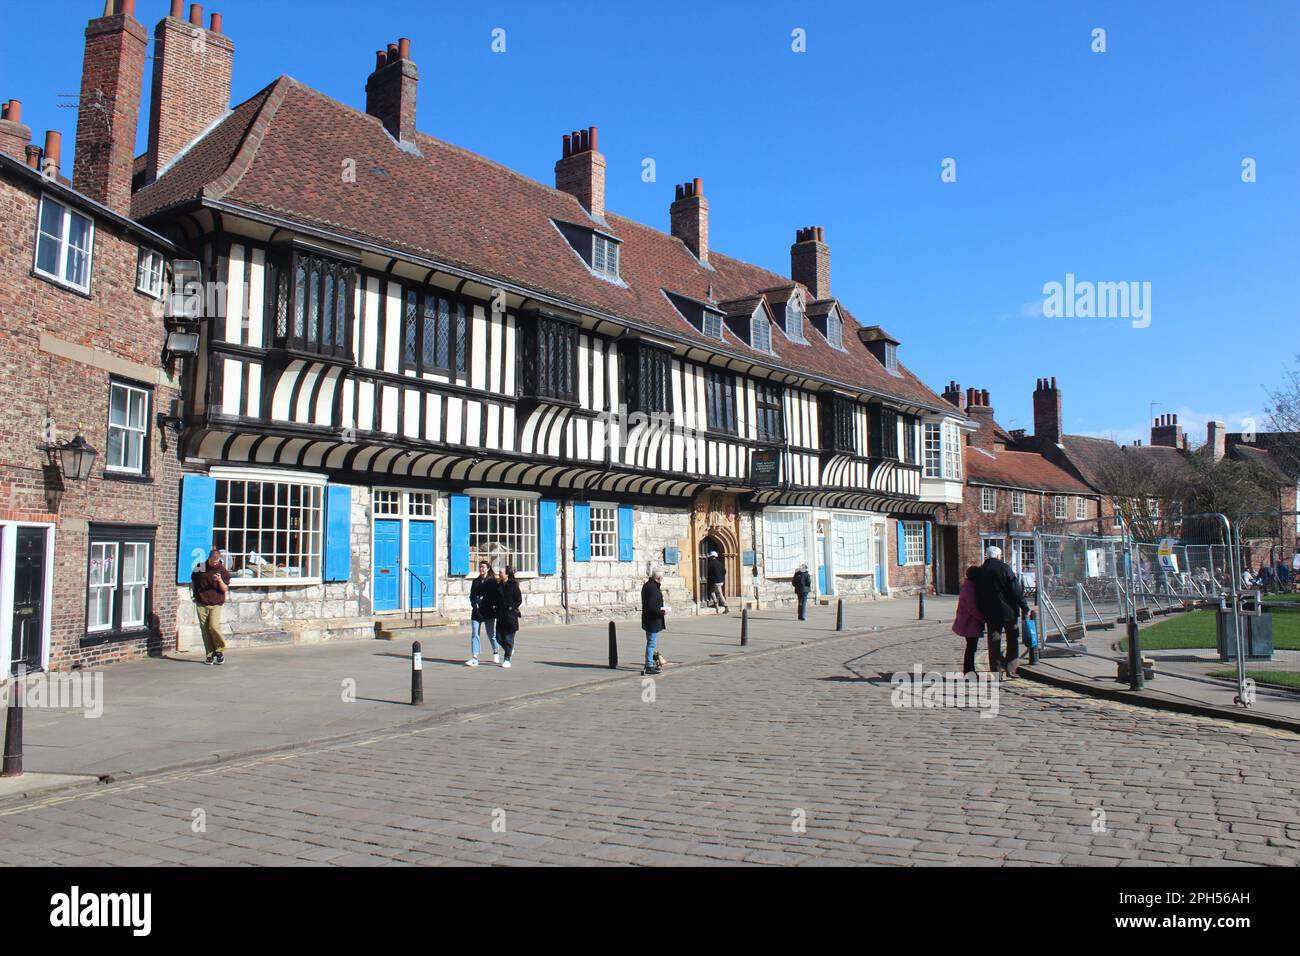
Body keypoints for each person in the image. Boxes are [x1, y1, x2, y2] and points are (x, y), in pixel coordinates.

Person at [975, 545, 1032, 679]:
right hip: (1009, 612)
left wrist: (981, 611)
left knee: (994, 641)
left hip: (990, 613)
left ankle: (996, 672)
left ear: (987, 556)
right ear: (999, 556)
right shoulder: (1005, 568)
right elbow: (1016, 590)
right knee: (1012, 639)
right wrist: (1025, 607)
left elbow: (977, 594)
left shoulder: (981, 571)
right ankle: (1011, 669)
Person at [191, 548, 231, 665]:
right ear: (209, 558)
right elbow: (193, 580)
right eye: (213, 561)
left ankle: (219, 650)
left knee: (213, 626)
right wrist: (193, 594)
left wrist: (219, 580)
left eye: (217, 561)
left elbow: (225, 589)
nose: (215, 564)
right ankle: (210, 654)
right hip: (202, 602)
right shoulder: (201, 566)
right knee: (205, 630)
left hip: (216, 602)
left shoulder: (222, 570)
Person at [466, 560, 501, 667]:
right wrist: (474, 604)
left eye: (483, 567)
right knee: (475, 634)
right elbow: (472, 596)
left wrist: (494, 607)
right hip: (476, 612)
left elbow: (496, 596)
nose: (481, 569)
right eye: (480, 567)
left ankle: (496, 651)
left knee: (491, 634)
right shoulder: (475, 581)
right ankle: (475, 657)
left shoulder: (492, 581)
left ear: (488, 568)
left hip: (488, 611)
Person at [952, 566, 985, 676]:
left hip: (968, 621)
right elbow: (972, 609)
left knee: (971, 647)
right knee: (971, 648)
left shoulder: (968, 587)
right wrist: (983, 618)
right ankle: (969, 670)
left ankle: (969, 670)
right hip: (969, 622)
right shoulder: (969, 590)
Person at [494, 566, 522, 668]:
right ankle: (509, 650)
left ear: (507, 574)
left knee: (508, 639)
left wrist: (511, 608)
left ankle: (507, 659)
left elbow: (518, 600)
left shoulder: (514, 585)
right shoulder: (498, 585)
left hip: (510, 616)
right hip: (500, 615)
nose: (499, 574)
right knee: (499, 638)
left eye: (501, 572)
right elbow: (496, 599)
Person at [641, 569, 667, 675]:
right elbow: (651, 606)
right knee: (651, 643)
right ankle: (649, 665)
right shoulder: (652, 588)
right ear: (659, 578)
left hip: (650, 619)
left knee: (652, 643)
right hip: (652, 620)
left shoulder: (649, 585)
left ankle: (651, 662)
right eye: (662, 578)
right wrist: (662, 612)